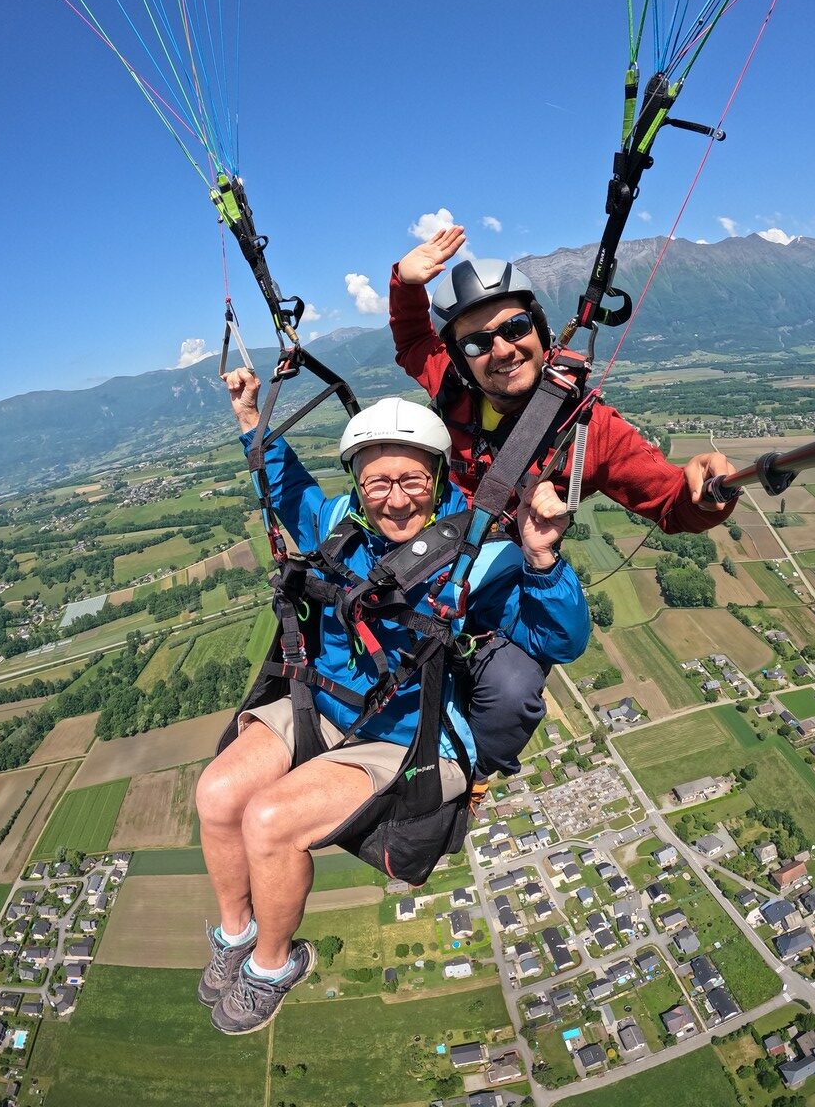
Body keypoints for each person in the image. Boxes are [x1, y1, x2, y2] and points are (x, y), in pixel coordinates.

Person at [195, 373, 589, 1035]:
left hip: (407, 731)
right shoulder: (338, 526)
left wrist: (545, 561)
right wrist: (249, 420)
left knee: (268, 820)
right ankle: (236, 933)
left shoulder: (480, 557)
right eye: (378, 482)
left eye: (412, 480)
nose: (395, 498)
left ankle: (271, 965)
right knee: (216, 793)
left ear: (438, 479)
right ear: (357, 483)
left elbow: (560, 640)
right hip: (321, 701)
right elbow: (289, 488)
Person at [388, 224, 738, 782]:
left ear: (540, 329)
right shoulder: (455, 388)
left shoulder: (588, 429)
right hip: (443, 554)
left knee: (514, 692)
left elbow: (670, 501)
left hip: (509, 568)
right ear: (460, 357)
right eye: (477, 343)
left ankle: (472, 774)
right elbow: (412, 341)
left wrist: (707, 490)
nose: (501, 350)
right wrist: (405, 284)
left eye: (515, 327)